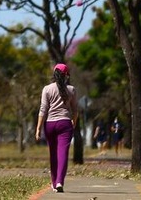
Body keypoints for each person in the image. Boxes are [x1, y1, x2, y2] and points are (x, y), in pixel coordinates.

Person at [36, 63, 78, 193]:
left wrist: (38, 128)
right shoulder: (71, 90)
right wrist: (74, 122)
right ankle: (59, 181)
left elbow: (43, 110)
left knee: (53, 154)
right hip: (65, 124)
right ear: (66, 76)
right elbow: (75, 110)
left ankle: (54, 183)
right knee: (63, 154)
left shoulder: (47, 89)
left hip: (50, 124)